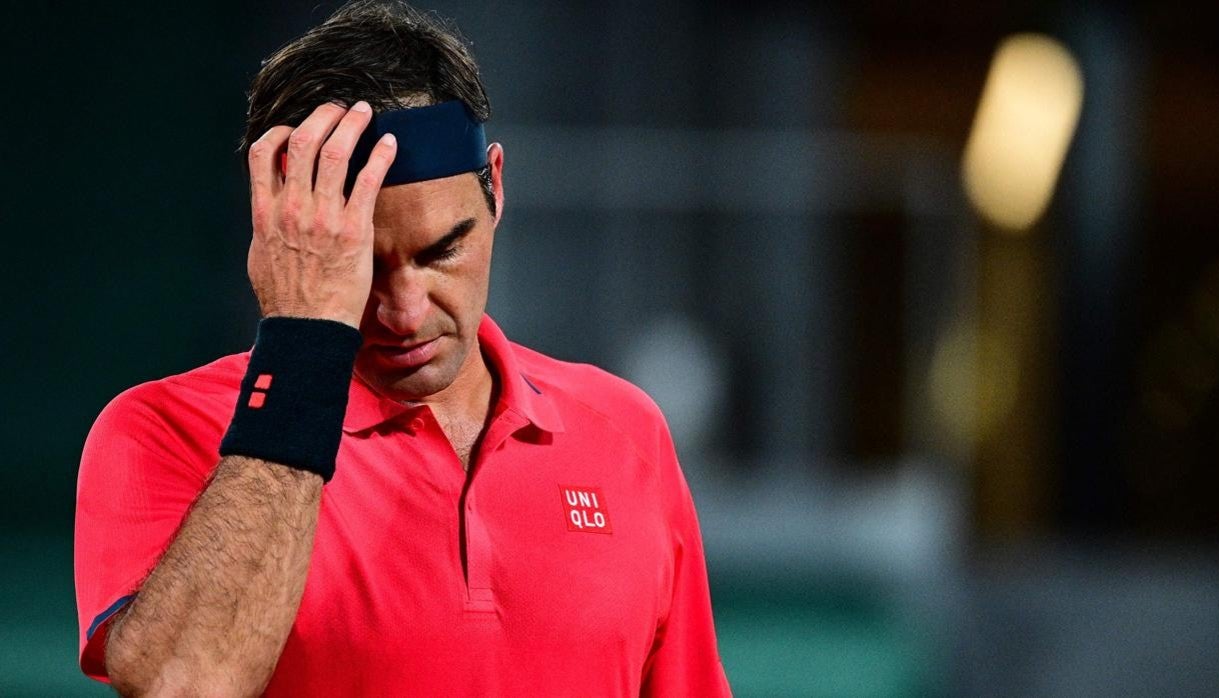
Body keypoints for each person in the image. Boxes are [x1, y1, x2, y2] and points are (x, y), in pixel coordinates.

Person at [72, 1, 732, 696]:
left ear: (496, 187)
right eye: (359, 266)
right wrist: (302, 342)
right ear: (284, 243)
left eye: (443, 250)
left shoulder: (626, 430)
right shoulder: (163, 431)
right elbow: (184, 684)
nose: (405, 312)